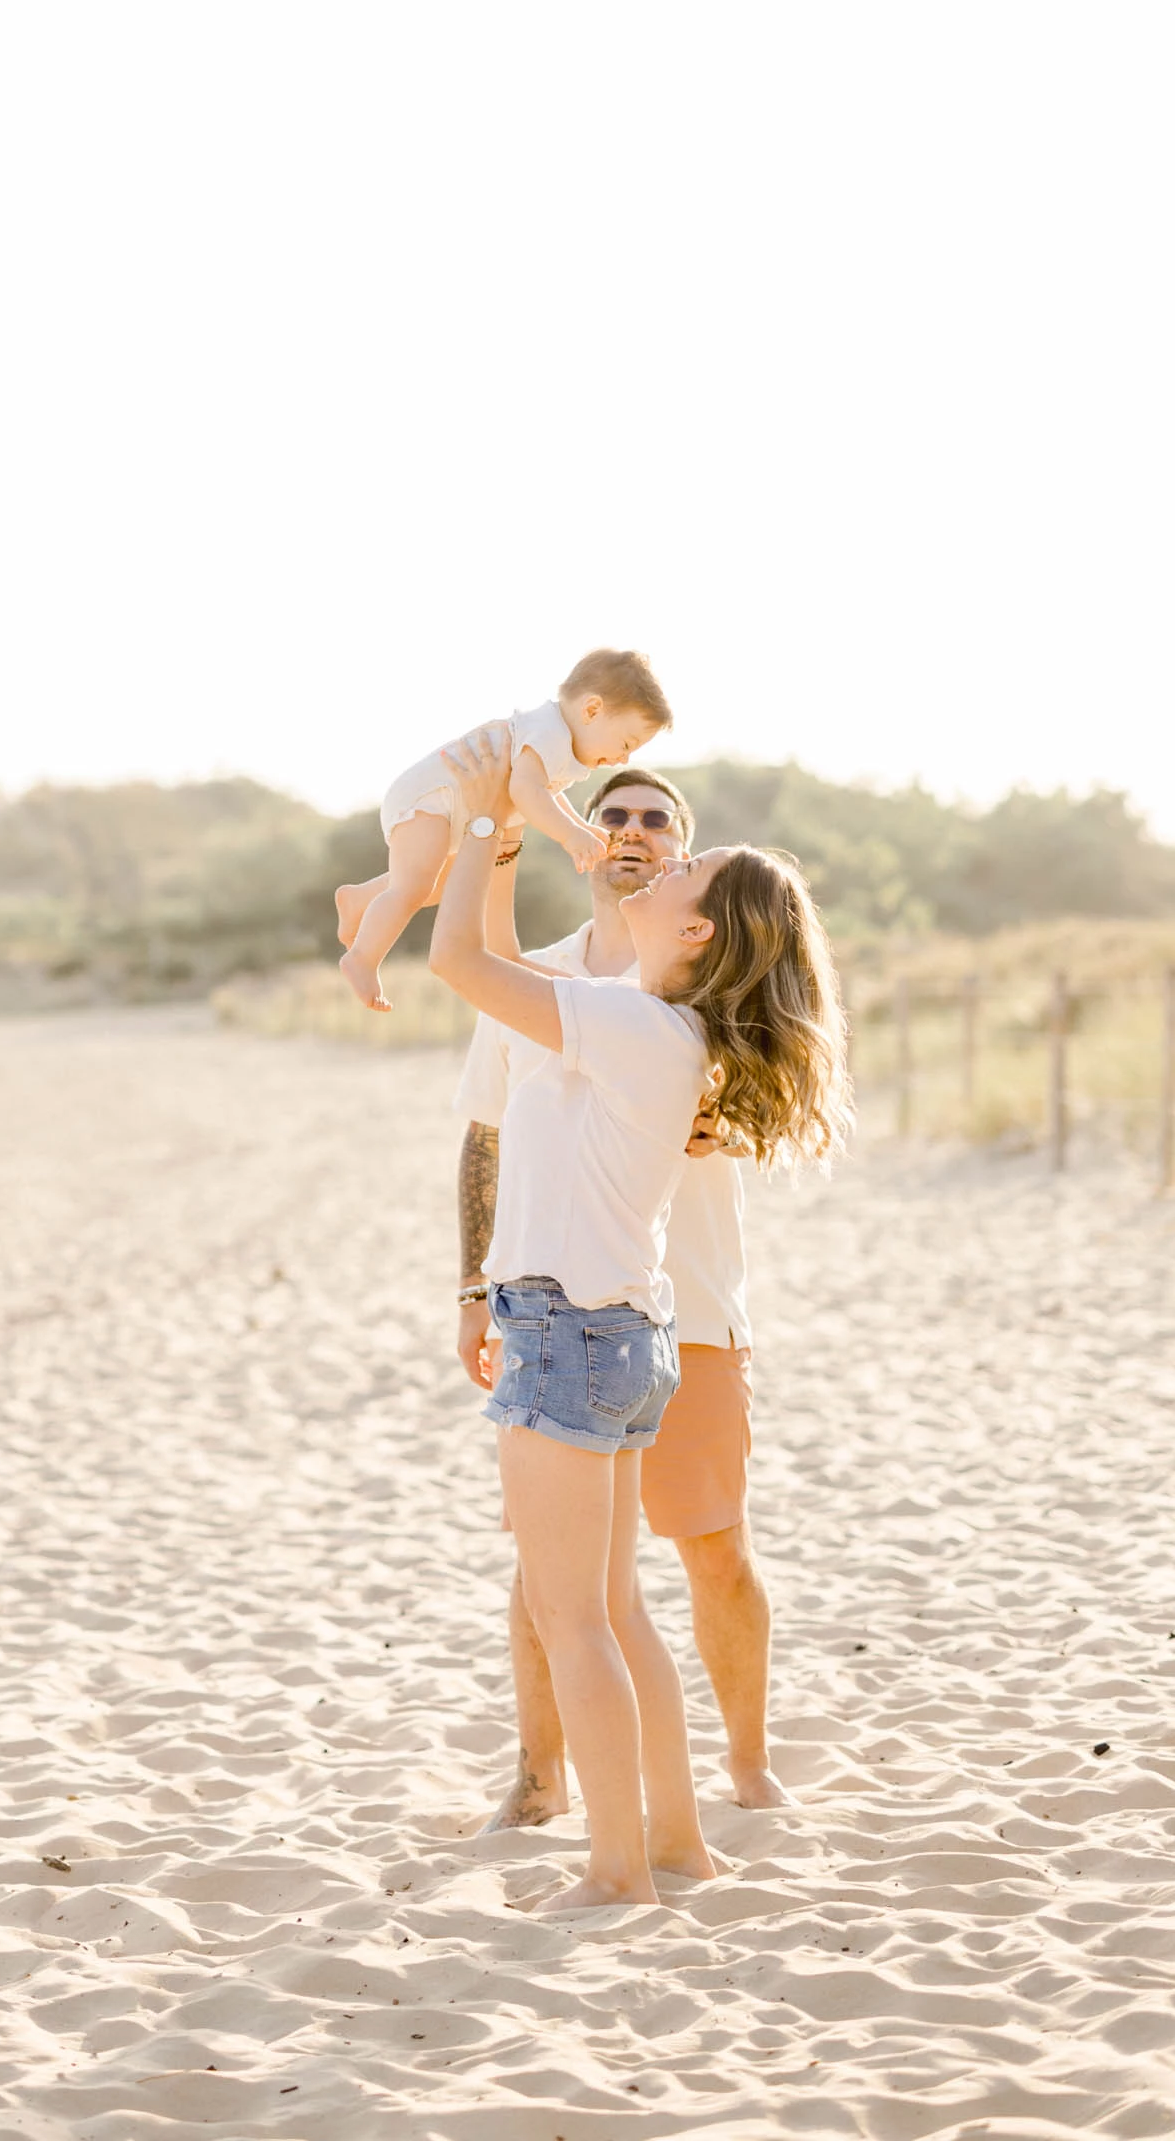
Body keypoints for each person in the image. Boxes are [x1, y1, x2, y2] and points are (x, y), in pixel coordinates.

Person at [428, 727, 850, 1914]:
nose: (655, 868)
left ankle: (616, 1871)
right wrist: (517, 832)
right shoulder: (644, 1017)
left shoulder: (626, 1024)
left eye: (681, 871)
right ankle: (677, 1845)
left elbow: (460, 954)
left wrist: (472, 826)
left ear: (699, 930)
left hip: (568, 1336)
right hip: (617, 1336)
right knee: (612, 1613)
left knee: (576, 1621)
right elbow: (506, 964)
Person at [335, 648, 670, 1010]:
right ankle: (362, 958)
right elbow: (525, 791)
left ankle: (358, 899)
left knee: (438, 883)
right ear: (591, 710)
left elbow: (548, 794)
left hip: (455, 808)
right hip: (431, 798)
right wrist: (569, 835)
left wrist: (580, 829)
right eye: (626, 744)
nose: (623, 759)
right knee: (414, 886)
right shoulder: (547, 732)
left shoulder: (561, 746)